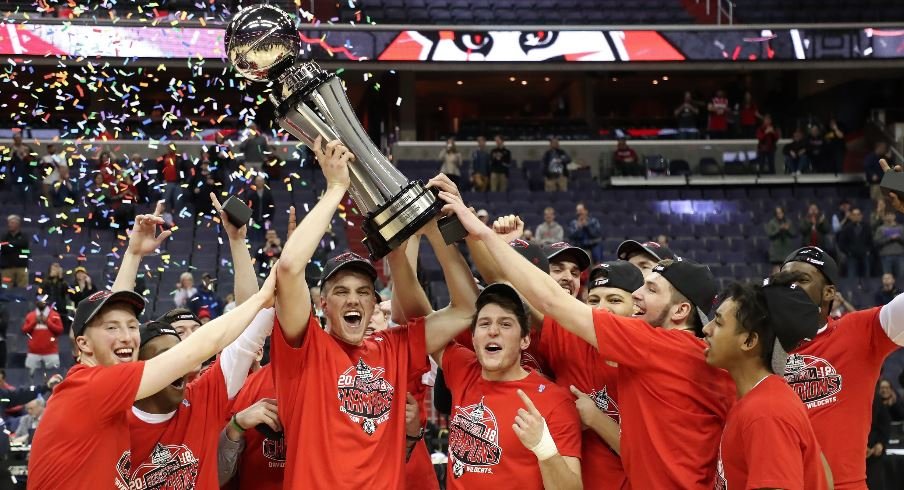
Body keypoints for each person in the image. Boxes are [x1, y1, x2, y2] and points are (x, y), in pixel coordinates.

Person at [437, 192, 734, 488]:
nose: (639, 295)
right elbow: (517, 292)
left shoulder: (658, 345)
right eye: (594, 299)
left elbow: (551, 299)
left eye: (650, 290)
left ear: (682, 311)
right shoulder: (713, 362)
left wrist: (479, 231)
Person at [270, 137, 479, 488]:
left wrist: (432, 229)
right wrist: (336, 188)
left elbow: (468, 309)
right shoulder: (305, 350)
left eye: (363, 292)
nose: (354, 300)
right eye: (341, 292)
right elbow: (289, 268)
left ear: (374, 303)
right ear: (322, 303)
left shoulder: (394, 347)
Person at [27, 202, 277, 488]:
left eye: (132, 328)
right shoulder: (95, 393)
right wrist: (262, 298)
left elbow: (248, 331)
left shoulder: (194, 400)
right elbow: (195, 347)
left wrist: (133, 255)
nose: (126, 335)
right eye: (165, 356)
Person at [778, 245, 904, 489]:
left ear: (829, 293)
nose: (790, 288)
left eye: (801, 279)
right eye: (783, 280)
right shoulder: (755, 345)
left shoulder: (861, 330)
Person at [435, 284, 582, 489]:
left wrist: (544, 448)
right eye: (485, 324)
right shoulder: (463, 369)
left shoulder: (555, 401)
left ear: (525, 340)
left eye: (505, 324)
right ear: (473, 339)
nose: (493, 331)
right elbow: (413, 315)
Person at [124, 307, 272, 488]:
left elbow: (248, 338)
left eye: (182, 356)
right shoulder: (111, 420)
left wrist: (273, 292)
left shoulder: (201, 397)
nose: (178, 364)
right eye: (165, 358)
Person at [704, 278, 830, 489]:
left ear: (749, 341)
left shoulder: (766, 411)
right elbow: (826, 477)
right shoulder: (762, 399)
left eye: (718, 322)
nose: (706, 329)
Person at [22, 295, 64, 383]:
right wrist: (34, 322)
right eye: (39, 300)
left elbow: (60, 330)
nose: (41, 302)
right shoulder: (30, 316)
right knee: (30, 377)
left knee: (54, 377)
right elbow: (24, 330)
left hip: (51, 352)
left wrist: (47, 322)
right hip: (33, 352)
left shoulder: (55, 315)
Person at [837, 208, 872, 280]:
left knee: (866, 276)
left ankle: (867, 291)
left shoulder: (867, 227)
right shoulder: (847, 228)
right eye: (854, 215)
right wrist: (848, 252)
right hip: (851, 256)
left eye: (858, 214)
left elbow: (871, 241)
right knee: (852, 277)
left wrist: (868, 251)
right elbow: (841, 243)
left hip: (864, 255)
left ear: (861, 216)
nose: (856, 216)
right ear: (851, 216)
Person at [766, 206, 798, 274]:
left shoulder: (788, 222)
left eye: (780, 212)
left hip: (787, 249)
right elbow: (770, 234)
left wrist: (788, 229)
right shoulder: (772, 222)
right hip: (776, 250)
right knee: (776, 271)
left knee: (787, 270)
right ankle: (775, 284)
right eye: (777, 213)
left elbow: (794, 233)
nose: (779, 214)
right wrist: (779, 229)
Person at [0, 214, 28, 287]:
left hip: (22, 267)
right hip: (7, 268)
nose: (9, 225)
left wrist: (9, 244)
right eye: (9, 223)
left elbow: (26, 249)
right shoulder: (4, 236)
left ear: (17, 224)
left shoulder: (24, 236)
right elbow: (2, 247)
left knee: (23, 288)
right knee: (6, 288)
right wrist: (17, 246)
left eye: (12, 223)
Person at [42, 262, 71, 332]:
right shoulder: (45, 282)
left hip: (62, 310)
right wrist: (50, 278)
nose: (55, 270)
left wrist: (61, 278)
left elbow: (66, 292)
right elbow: (42, 294)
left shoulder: (64, 282)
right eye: (53, 268)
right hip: (48, 310)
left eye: (57, 268)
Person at [874, 212, 904, 278]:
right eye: (887, 215)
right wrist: (889, 238)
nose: (889, 217)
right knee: (887, 277)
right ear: (884, 217)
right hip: (886, 256)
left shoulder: (901, 228)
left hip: (900, 255)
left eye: (891, 215)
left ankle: (900, 289)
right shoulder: (880, 228)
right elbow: (877, 242)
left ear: (894, 216)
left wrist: (899, 238)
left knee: (901, 277)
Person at [248, 175, 275, 243]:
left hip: (265, 222)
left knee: (265, 240)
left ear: (263, 182)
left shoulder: (268, 194)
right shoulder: (251, 195)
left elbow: (272, 208)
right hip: (254, 221)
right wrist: (251, 220)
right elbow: (248, 208)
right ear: (255, 182)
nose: (259, 182)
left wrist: (269, 220)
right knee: (253, 240)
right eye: (258, 181)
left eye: (261, 181)